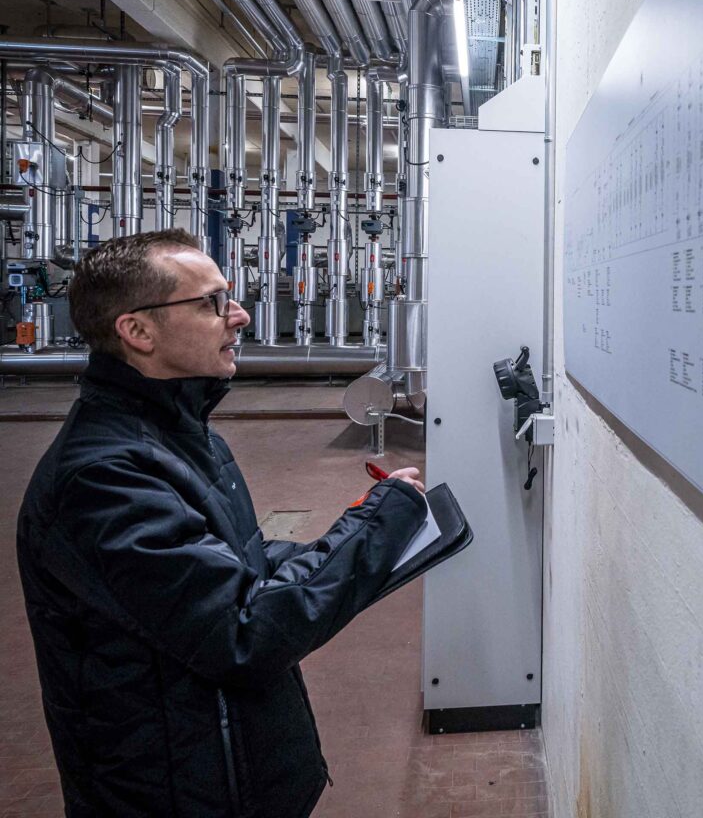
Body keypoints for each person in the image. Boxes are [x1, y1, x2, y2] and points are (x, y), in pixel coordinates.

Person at [16, 229, 427, 818]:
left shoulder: (183, 435)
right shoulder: (103, 478)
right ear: (137, 331)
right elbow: (242, 632)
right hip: (179, 795)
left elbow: (238, 566)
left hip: (232, 775)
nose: (238, 315)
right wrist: (375, 525)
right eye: (210, 303)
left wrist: (354, 535)